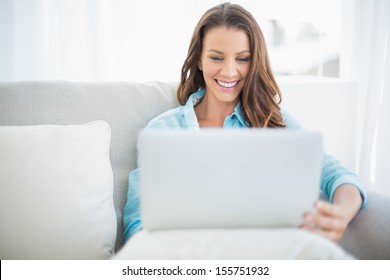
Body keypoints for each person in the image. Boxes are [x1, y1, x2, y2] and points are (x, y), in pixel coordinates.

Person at [123, 2, 367, 245]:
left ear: (255, 62)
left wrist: (341, 215)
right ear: (199, 59)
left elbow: (337, 175)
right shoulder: (163, 132)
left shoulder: (272, 120)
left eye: (242, 59)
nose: (229, 72)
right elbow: (138, 224)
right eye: (217, 57)